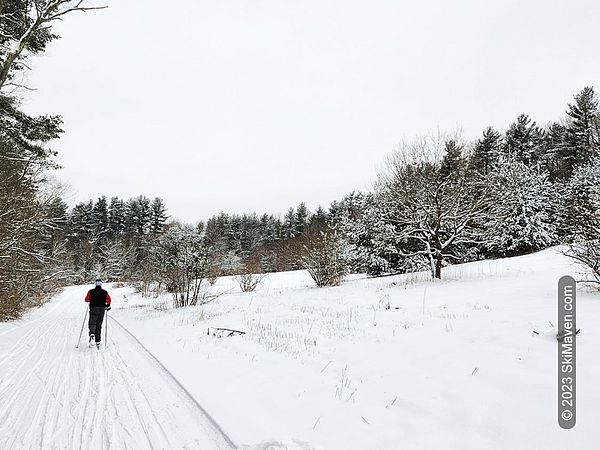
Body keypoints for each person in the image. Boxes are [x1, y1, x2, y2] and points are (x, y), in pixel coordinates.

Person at [85, 279, 111, 348]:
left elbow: (86, 300)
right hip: (102, 309)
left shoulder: (91, 291)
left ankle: (92, 334)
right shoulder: (105, 292)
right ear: (101, 284)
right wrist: (108, 305)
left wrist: (91, 299)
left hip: (93, 308)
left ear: (95, 284)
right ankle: (98, 341)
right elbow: (109, 300)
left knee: (92, 322)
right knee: (99, 324)